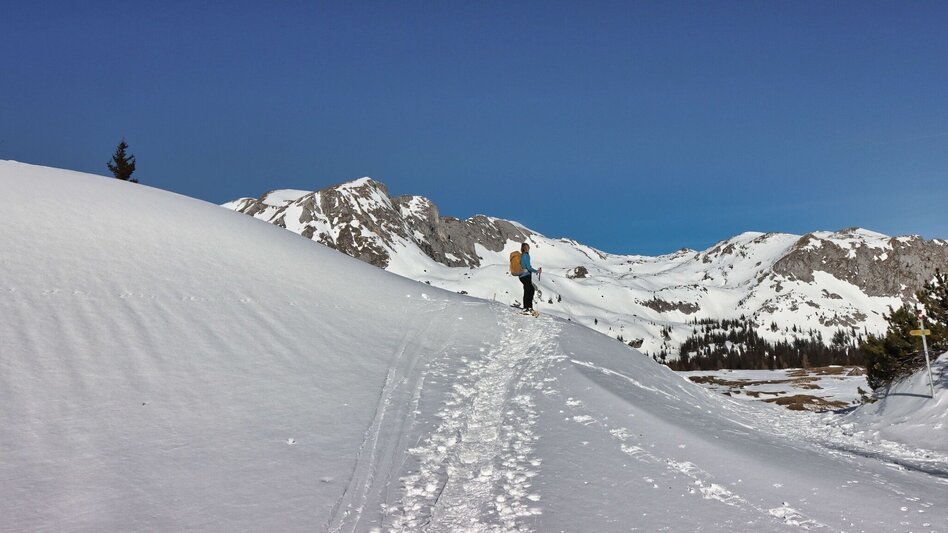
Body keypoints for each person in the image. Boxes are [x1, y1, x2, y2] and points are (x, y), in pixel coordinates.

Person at [518, 242, 541, 313]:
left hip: (521, 276)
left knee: (529, 289)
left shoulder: (521, 255)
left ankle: (528, 307)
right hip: (526, 275)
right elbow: (528, 267)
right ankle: (527, 308)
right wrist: (536, 271)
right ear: (527, 248)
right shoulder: (526, 255)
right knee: (529, 290)